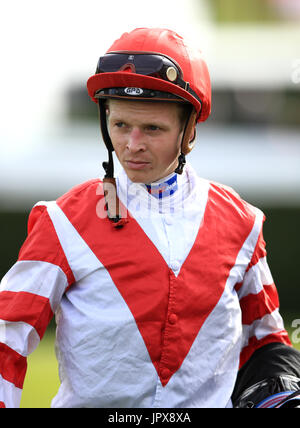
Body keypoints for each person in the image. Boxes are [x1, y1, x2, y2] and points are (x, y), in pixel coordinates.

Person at [0, 27, 300, 409]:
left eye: (153, 129)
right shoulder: (62, 221)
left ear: (189, 130)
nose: (132, 144)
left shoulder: (241, 222)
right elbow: (7, 336)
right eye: (121, 125)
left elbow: (265, 339)